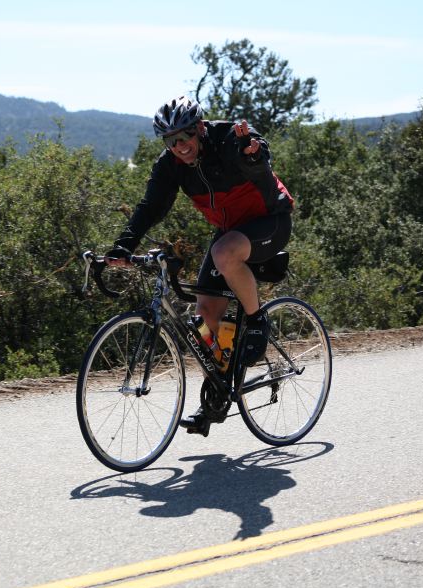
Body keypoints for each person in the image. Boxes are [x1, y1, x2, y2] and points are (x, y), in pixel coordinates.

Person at [106, 96, 294, 436]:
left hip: (270, 222)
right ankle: (216, 396)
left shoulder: (228, 140)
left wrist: (252, 153)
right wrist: (123, 246)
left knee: (223, 254)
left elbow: (256, 156)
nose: (179, 146)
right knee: (204, 316)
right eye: (170, 141)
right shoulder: (171, 164)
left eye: (184, 137)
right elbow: (151, 206)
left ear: (200, 129)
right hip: (231, 232)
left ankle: (256, 320)